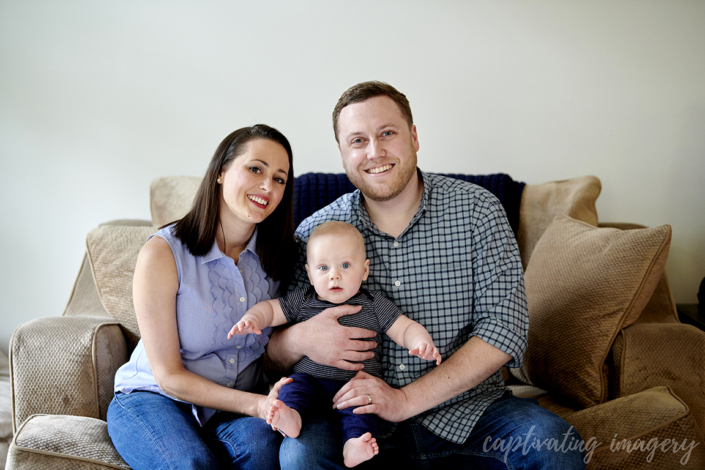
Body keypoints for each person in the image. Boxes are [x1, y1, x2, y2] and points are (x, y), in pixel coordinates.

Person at [266, 82, 587, 469]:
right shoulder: (315, 235)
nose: (375, 152)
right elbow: (270, 352)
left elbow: (505, 329)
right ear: (342, 153)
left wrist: (404, 401)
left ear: (414, 137)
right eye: (357, 141)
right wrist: (298, 338)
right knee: (301, 457)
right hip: (350, 421)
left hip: (469, 413)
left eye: (387, 133)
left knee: (554, 444)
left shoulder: (478, 212)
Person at [107, 124, 298, 470]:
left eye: (280, 179)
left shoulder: (284, 259)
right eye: (255, 168)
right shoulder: (164, 253)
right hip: (155, 398)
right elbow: (168, 375)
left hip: (231, 411)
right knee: (192, 464)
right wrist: (256, 405)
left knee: (267, 453)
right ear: (221, 172)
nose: (267, 186)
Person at [229, 221, 441, 467]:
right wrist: (252, 318)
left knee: (362, 410)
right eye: (323, 267)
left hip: (355, 386)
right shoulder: (303, 300)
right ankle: (291, 418)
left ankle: (354, 445)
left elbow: (403, 327)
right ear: (309, 274)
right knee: (290, 387)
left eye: (345, 265)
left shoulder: (373, 304)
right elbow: (270, 309)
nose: (334, 275)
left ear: (364, 271)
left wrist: (421, 341)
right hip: (309, 381)